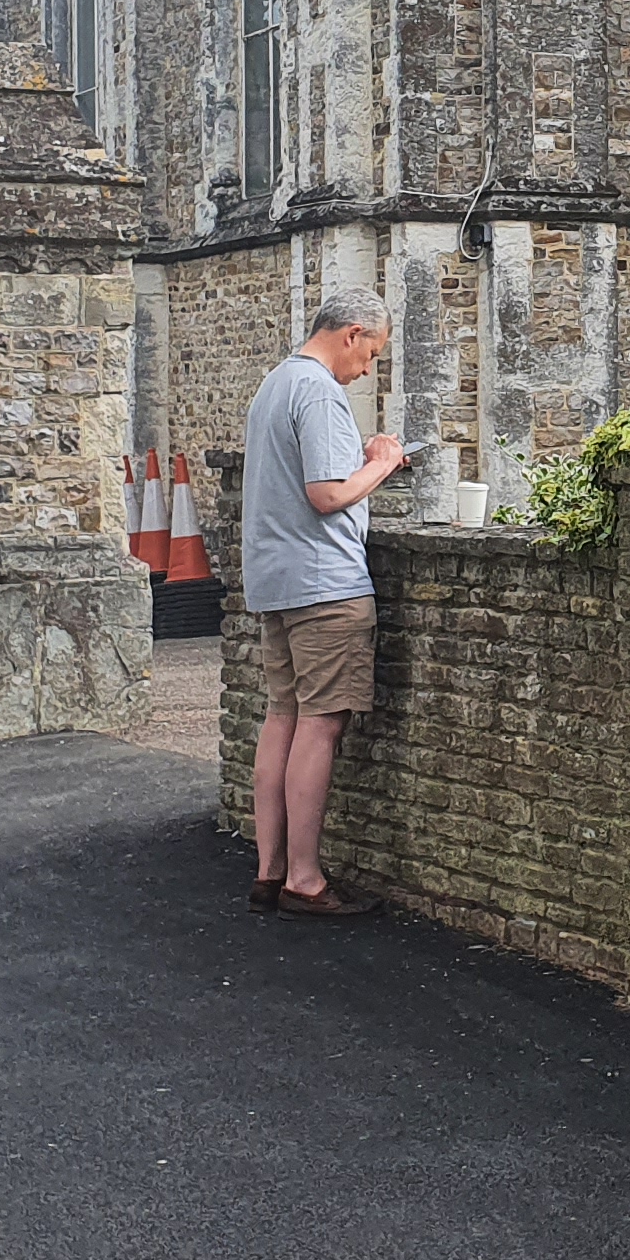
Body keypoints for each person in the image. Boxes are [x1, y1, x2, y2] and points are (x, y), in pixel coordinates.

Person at [240, 289, 407, 920]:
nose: (367, 370)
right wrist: (384, 461)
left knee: (282, 716)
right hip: (325, 584)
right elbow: (328, 494)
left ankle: (268, 871)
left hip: (276, 580)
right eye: (371, 355)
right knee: (320, 723)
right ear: (352, 334)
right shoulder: (318, 390)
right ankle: (304, 880)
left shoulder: (275, 384)